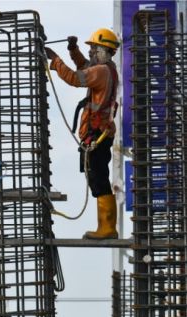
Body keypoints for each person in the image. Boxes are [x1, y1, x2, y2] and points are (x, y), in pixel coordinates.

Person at [45, 29, 120, 240]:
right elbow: (85, 67)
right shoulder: (107, 69)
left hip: (97, 133)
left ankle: (107, 228)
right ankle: (106, 227)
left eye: (93, 48)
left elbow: (74, 78)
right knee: (97, 177)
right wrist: (72, 50)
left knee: (98, 179)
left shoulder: (102, 71)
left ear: (105, 50)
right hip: (99, 133)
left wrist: (55, 59)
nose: (90, 52)